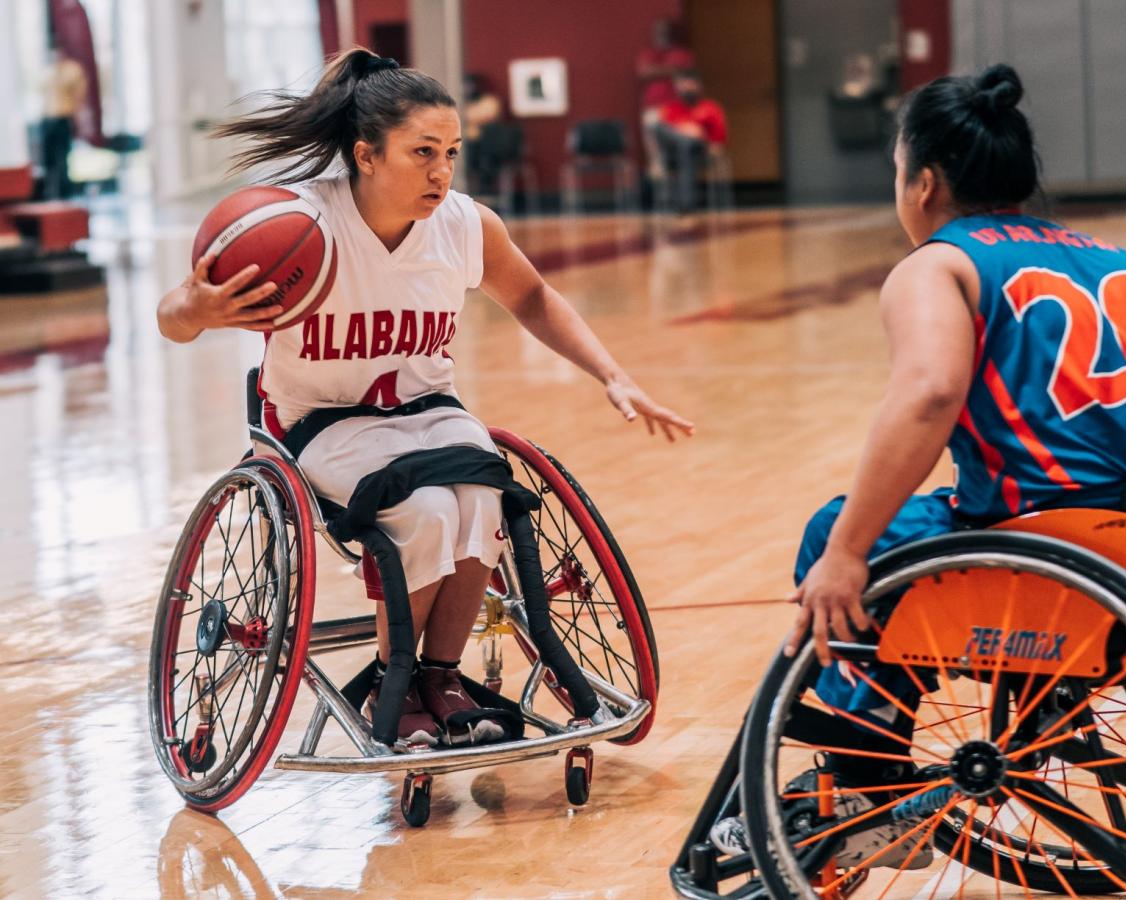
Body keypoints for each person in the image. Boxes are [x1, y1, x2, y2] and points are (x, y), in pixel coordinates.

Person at [710, 63, 1126, 867]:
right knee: (906, 541)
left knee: (841, 531)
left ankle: (868, 791)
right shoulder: (1114, 262)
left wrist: (846, 553)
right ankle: (886, 760)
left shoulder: (942, 264)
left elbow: (931, 394)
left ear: (925, 182)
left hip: (1045, 542)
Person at [156, 50, 694, 747]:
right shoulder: (297, 224)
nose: (442, 172)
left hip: (427, 411)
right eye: (422, 153)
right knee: (428, 510)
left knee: (483, 497)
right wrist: (196, 308)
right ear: (367, 155)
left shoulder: (467, 225)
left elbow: (532, 296)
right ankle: (395, 677)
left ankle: (439, 680)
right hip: (321, 422)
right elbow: (173, 317)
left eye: (451, 153)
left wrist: (612, 374)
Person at [654, 71, 727, 214]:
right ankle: (686, 204)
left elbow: (719, 139)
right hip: (673, 153)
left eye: (689, 85)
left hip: (702, 151)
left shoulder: (711, 108)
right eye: (682, 85)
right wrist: (685, 132)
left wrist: (700, 135)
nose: (686, 88)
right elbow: (664, 136)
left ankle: (683, 204)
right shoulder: (670, 109)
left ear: (698, 86)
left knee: (687, 150)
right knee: (658, 127)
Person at [636, 19, 694, 179]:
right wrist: (670, 70)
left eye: (665, 32)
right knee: (653, 140)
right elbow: (644, 72)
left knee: (682, 143)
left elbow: (683, 70)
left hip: (676, 108)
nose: (661, 36)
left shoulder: (681, 53)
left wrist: (657, 70)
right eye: (658, 32)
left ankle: (681, 181)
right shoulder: (648, 53)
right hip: (652, 108)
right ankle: (659, 174)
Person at [40, 40, 87, 199]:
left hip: (63, 118)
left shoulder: (72, 70)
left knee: (62, 157)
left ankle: (65, 193)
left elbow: (79, 96)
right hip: (48, 119)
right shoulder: (48, 72)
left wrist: (77, 119)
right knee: (48, 158)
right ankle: (50, 193)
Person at [462, 73, 502, 196]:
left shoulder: (489, 101)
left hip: (487, 144)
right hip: (467, 143)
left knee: (484, 160)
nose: (467, 88)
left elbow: (487, 116)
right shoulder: (461, 102)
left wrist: (469, 117)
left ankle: (486, 189)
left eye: (470, 85)